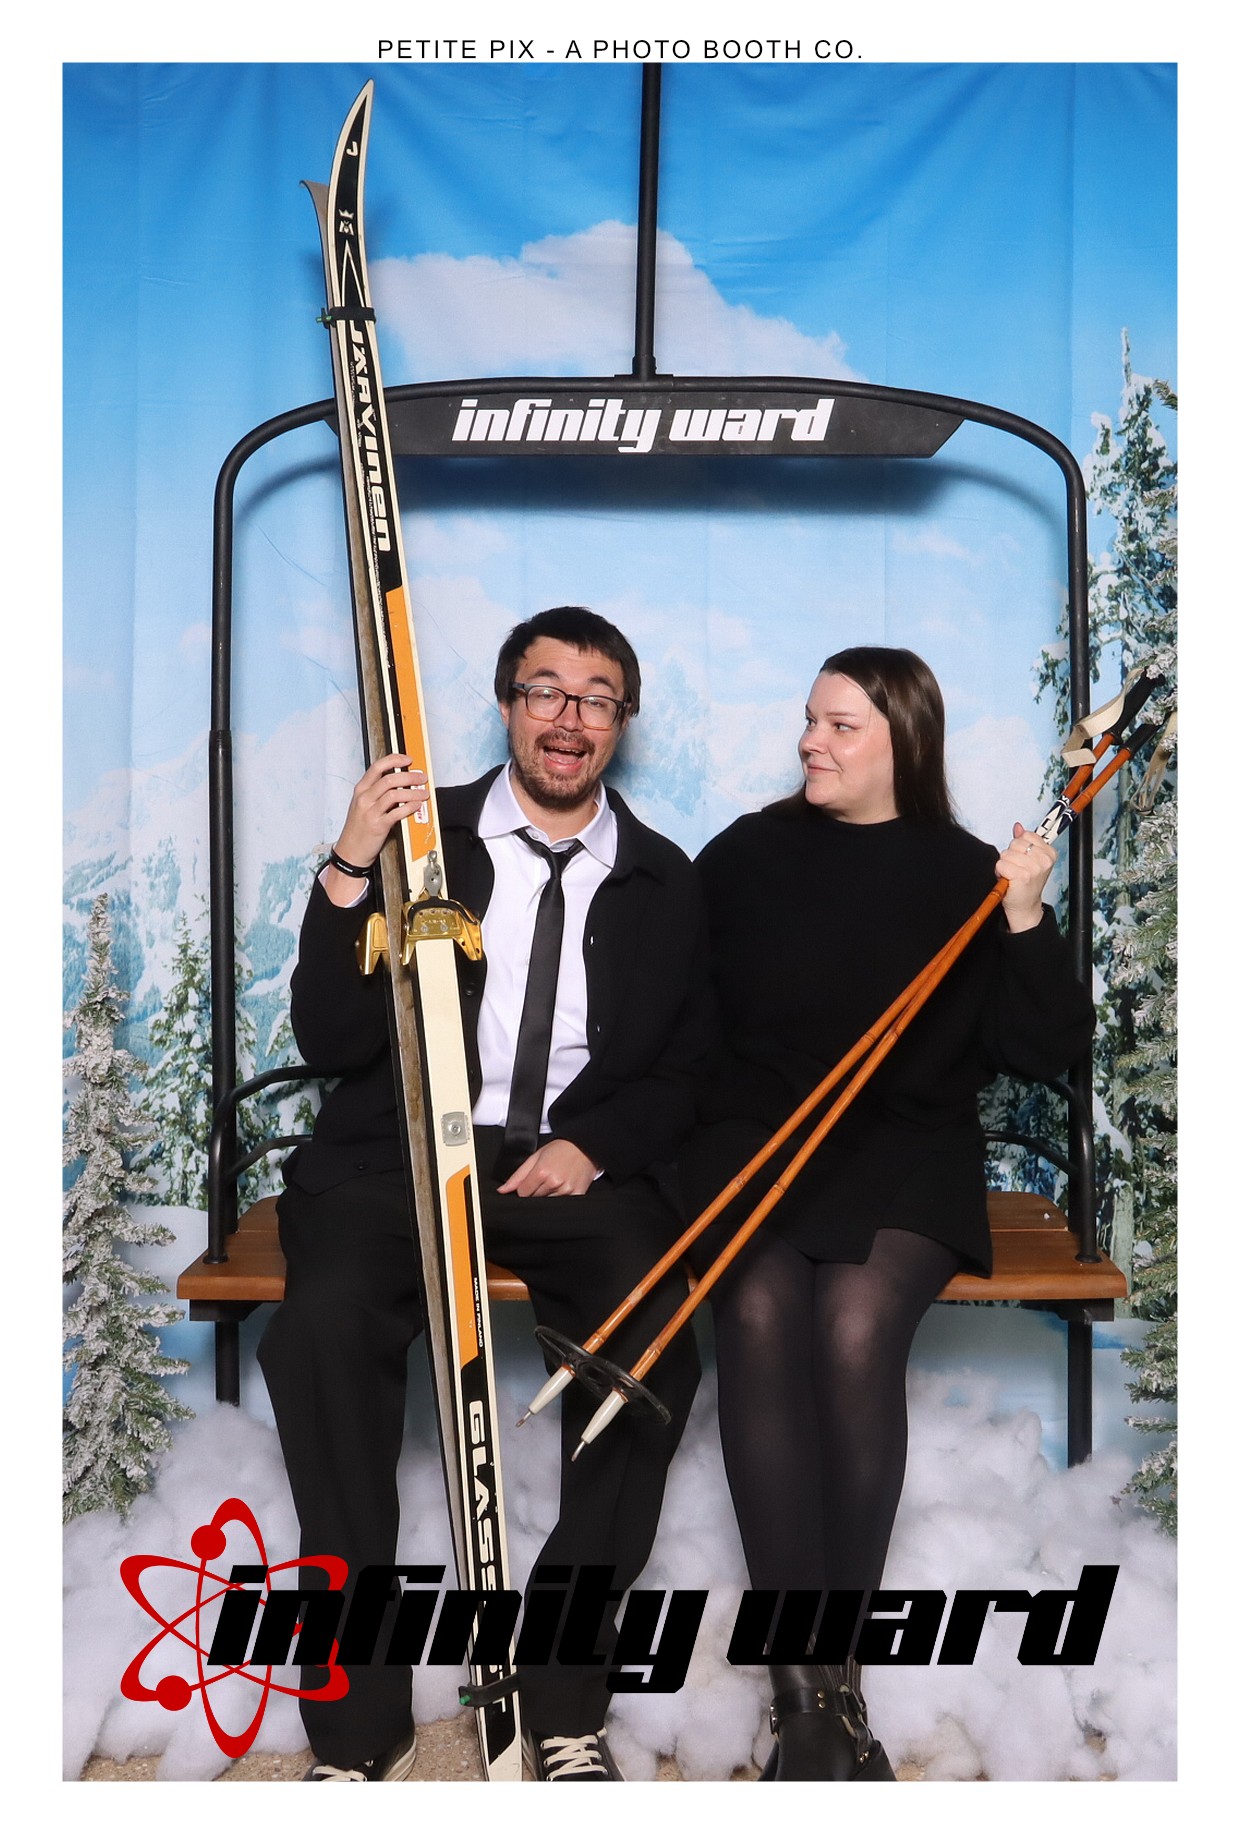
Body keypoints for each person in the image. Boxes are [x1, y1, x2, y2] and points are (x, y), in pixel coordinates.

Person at [258, 606, 710, 1782]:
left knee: (654, 1347)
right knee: (321, 1331)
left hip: (568, 1168)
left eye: (596, 697)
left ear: (621, 722)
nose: (569, 718)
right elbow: (326, 1036)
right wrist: (350, 859)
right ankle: (357, 1726)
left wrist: (594, 1142)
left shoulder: (664, 879)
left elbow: (688, 1071)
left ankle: (561, 1694)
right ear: (508, 703)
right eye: (545, 689)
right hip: (399, 1156)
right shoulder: (421, 839)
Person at [679, 645, 1095, 1782]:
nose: (810, 741)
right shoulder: (745, 854)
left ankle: (837, 1683)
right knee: (756, 1313)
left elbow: (1043, 1049)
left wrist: (1024, 915)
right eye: (810, 720)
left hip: (906, 1153)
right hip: (761, 1148)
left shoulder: (968, 874)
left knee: (853, 1330)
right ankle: (802, 1696)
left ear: (903, 739)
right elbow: (681, 1014)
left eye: (840, 726)